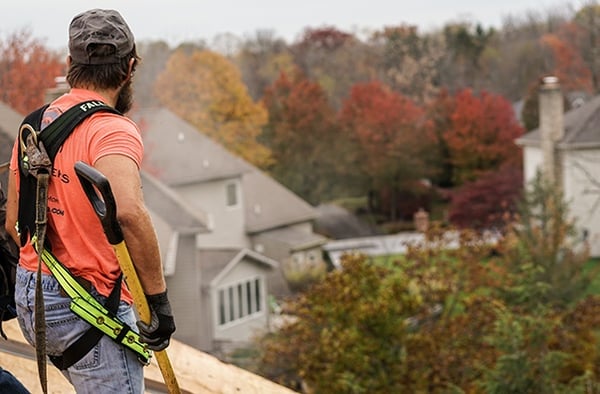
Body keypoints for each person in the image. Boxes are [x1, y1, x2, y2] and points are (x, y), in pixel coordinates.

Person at [4, 9, 175, 393]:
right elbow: (128, 213)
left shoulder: (36, 123)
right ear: (129, 68)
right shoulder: (111, 129)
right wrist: (158, 304)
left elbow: (13, 223)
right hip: (86, 309)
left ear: (70, 65)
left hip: (32, 299)